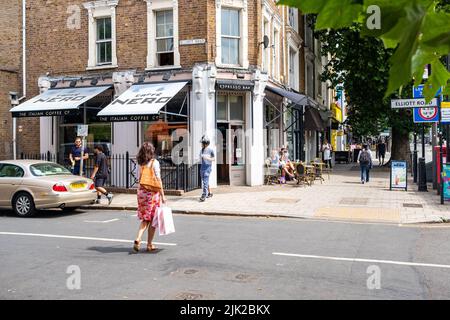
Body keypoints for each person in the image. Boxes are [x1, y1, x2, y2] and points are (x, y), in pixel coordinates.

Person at [133, 142, 166, 253]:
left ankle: (138, 238)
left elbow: (139, 179)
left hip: (142, 193)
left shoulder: (141, 164)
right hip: (152, 194)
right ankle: (149, 244)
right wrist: (163, 195)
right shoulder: (154, 163)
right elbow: (158, 179)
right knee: (152, 220)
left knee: (145, 219)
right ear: (151, 151)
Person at [200, 136, 215, 202]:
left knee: (205, 182)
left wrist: (207, 158)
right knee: (205, 181)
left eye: (202, 143)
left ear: (205, 143)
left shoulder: (210, 150)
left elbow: (213, 159)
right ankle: (210, 193)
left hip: (207, 168)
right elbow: (200, 158)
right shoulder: (202, 150)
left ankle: (204, 195)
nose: (201, 144)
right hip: (202, 167)